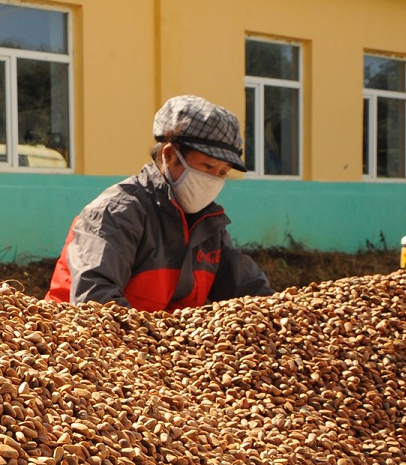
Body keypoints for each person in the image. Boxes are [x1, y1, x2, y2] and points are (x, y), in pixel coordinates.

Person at [46, 94, 272, 310]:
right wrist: (154, 335)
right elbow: (95, 300)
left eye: (222, 173)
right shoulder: (115, 212)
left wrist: (281, 311)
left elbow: (250, 289)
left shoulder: (207, 225)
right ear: (170, 155)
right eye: (208, 167)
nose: (214, 180)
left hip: (156, 337)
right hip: (76, 334)